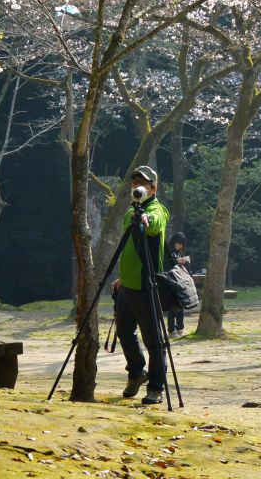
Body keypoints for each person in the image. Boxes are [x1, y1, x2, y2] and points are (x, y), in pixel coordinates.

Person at [112, 165, 170, 405]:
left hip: (147, 285)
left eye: (143, 183)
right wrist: (122, 277)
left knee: (153, 340)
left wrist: (146, 219)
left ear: (153, 188)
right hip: (127, 286)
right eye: (135, 182)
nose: (138, 186)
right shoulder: (130, 212)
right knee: (124, 332)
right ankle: (136, 373)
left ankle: (156, 388)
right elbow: (129, 247)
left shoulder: (157, 209)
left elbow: (155, 223)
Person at [166, 232, 191, 337]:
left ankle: (180, 328)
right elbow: (166, 265)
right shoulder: (167, 252)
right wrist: (176, 261)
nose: (179, 245)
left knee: (181, 305)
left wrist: (185, 261)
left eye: (181, 244)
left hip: (180, 281)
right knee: (172, 307)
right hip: (170, 281)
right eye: (178, 243)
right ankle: (171, 330)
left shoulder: (180, 252)